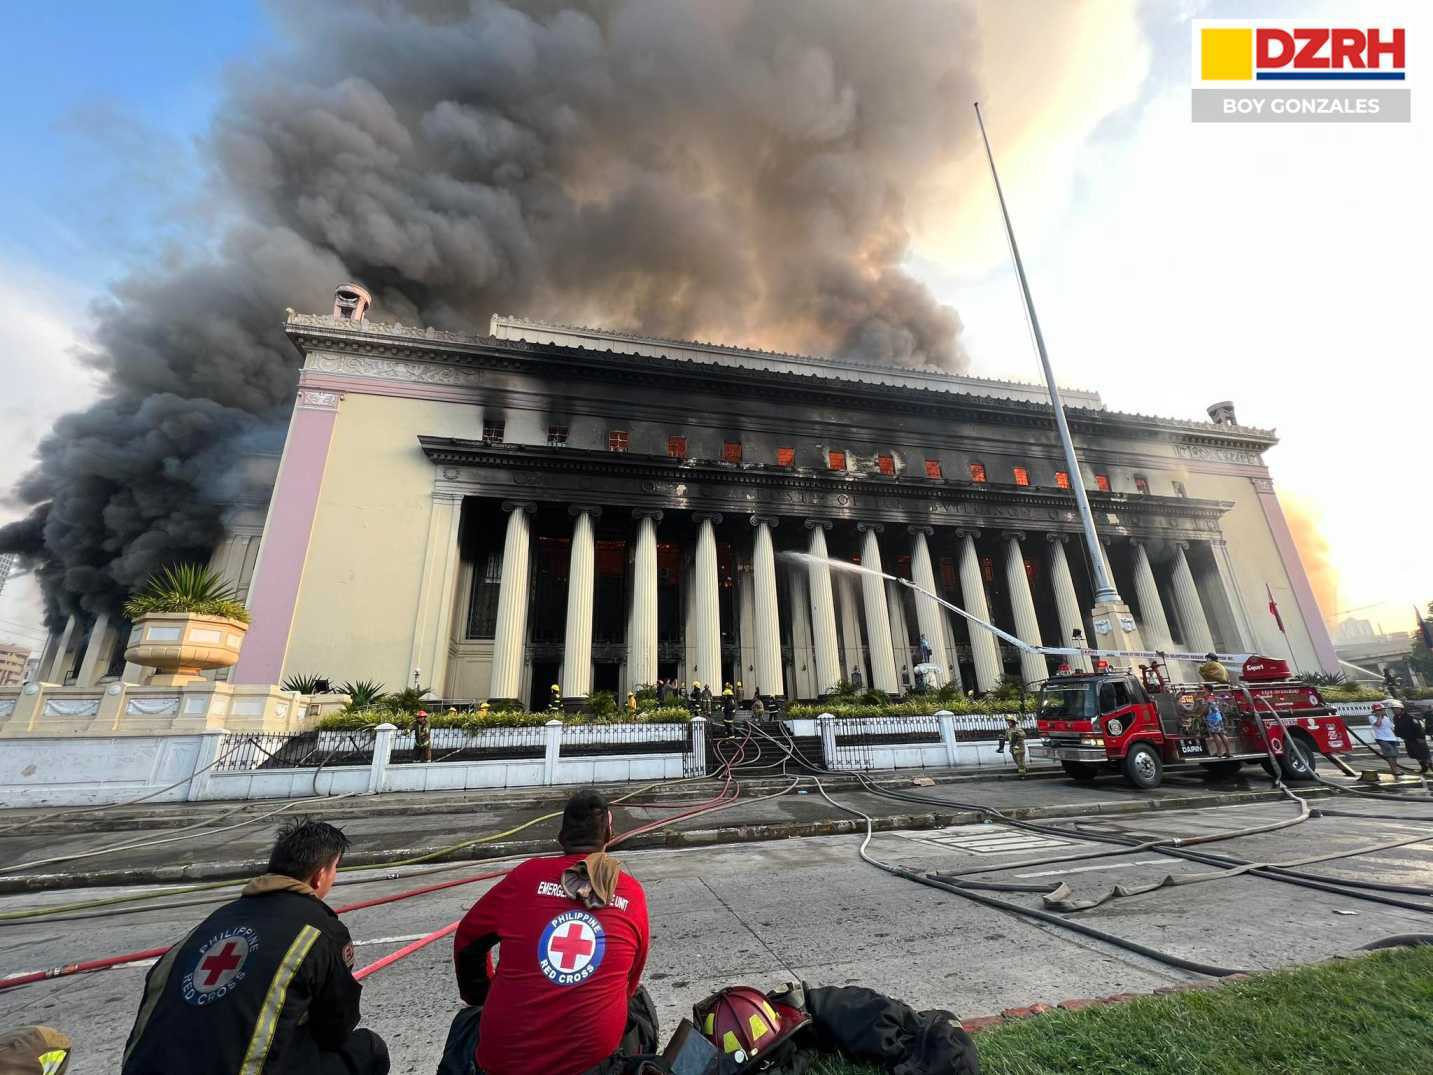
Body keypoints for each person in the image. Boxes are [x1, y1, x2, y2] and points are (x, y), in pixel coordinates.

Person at [121, 819, 387, 1075]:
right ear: (320, 876)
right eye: (334, 869)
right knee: (369, 1049)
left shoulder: (212, 923)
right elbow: (336, 1029)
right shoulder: (320, 931)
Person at [447, 789, 653, 1075]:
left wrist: (483, 994)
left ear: (561, 836)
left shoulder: (525, 877)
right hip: (590, 1067)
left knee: (467, 1023)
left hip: (500, 1063)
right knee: (637, 1005)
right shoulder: (630, 891)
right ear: (609, 832)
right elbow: (629, 980)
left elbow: (468, 939)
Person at [1393, 702, 1431, 775]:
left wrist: (1421, 738)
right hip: (1407, 739)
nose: (1395, 710)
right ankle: (1424, 767)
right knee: (1414, 754)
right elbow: (1397, 728)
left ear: (1402, 709)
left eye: (1397, 709)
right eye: (1394, 709)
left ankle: (1431, 767)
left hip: (1417, 739)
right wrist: (1398, 734)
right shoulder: (1396, 718)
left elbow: (1419, 727)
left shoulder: (1411, 717)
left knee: (1425, 755)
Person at [1369, 702, 1406, 777]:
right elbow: (1378, 725)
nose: (1382, 711)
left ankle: (1395, 769)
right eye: (1379, 710)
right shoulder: (1372, 717)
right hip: (1382, 739)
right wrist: (1379, 716)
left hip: (1392, 738)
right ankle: (1395, 770)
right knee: (1390, 754)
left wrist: (1397, 736)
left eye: (1382, 710)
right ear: (1375, 711)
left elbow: (1392, 728)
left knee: (1394, 755)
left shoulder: (1386, 718)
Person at [1202, 689, 1232, 759]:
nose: (1203, 693)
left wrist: (1201, 714)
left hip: (1212, 719)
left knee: (1215, 735)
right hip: (1218, 718)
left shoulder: (1209, 698)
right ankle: (1228, 752)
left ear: (1208, 691)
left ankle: (1219, 752)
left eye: (1204, 691)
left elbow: (1206, 709)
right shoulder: (1214, 697)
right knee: (1222, 734)